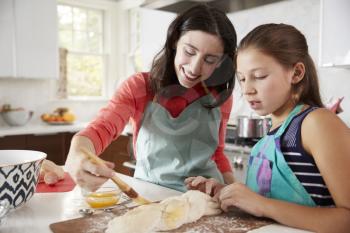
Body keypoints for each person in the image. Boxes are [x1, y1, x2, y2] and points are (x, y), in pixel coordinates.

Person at [185, 23, 350, 232]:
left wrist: (261, 204)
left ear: (297, 73)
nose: (247, 89)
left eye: (260, 76)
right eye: (242, 79)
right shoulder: (267, 140)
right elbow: (266, 208)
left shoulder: (316, 123)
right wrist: (226, 194)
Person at [65, 4, 237, 192]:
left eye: (210, 60)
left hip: (204, 199)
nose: (195, 68)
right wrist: (78, 150)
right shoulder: (139, 87)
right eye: (189, 51)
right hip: (149, 196)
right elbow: (102, 128)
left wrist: (232, 188)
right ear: (174, 41)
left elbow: (217, 153)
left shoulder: (221, 97)